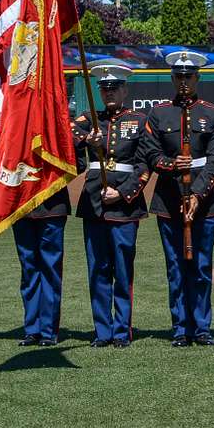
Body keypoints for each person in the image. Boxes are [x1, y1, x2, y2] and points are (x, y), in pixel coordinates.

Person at [142, 51, 214, 347]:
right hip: (168, 200)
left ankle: (201, 327)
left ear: (197, 78)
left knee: (201, 267)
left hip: (204, 203)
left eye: (189, 76)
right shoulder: (159, 113)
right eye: (179, 76)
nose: (184, 81)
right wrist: (169, 164)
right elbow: (151, 154)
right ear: (172, 78)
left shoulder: (212, 113)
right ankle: (180, 328)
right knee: (176, 267)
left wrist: (197, 195)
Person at [73, 65, 150, 348]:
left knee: (122, 268)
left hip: (125, 206)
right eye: (104, 89)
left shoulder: (139, 120)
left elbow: (144, 164)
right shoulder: (88, 120)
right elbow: (65, 142)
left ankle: (121, 331)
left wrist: (122, 193)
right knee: (98, 269)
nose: (109, 93)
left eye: (114, 88)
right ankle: (102, 331)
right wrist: (85, 139)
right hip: (93, 202)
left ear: (125, 90)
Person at [12, 187, 72, 347]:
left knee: (50, 271)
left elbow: (78, 164)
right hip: (21, 206)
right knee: (28, 271)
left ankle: (48, 330)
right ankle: (32, 330)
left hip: (52, 206)